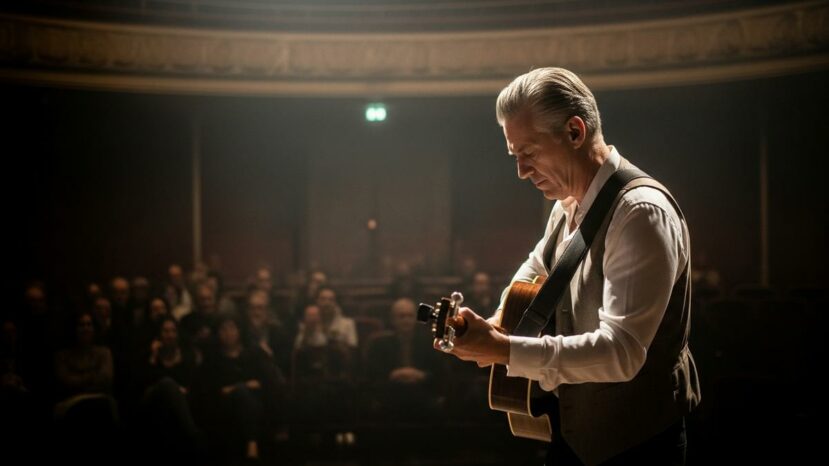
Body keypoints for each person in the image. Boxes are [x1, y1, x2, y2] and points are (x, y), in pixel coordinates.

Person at [438, 67, 700, 465]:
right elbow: (534, 269)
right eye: (515, 156)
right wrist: (496, 323)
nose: (521, 171)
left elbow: (621, 352)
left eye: (529, 153)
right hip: (573, 437)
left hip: (639, 446)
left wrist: (505, 349)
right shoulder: (567, 206)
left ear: (575, 132)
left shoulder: (640, 214)